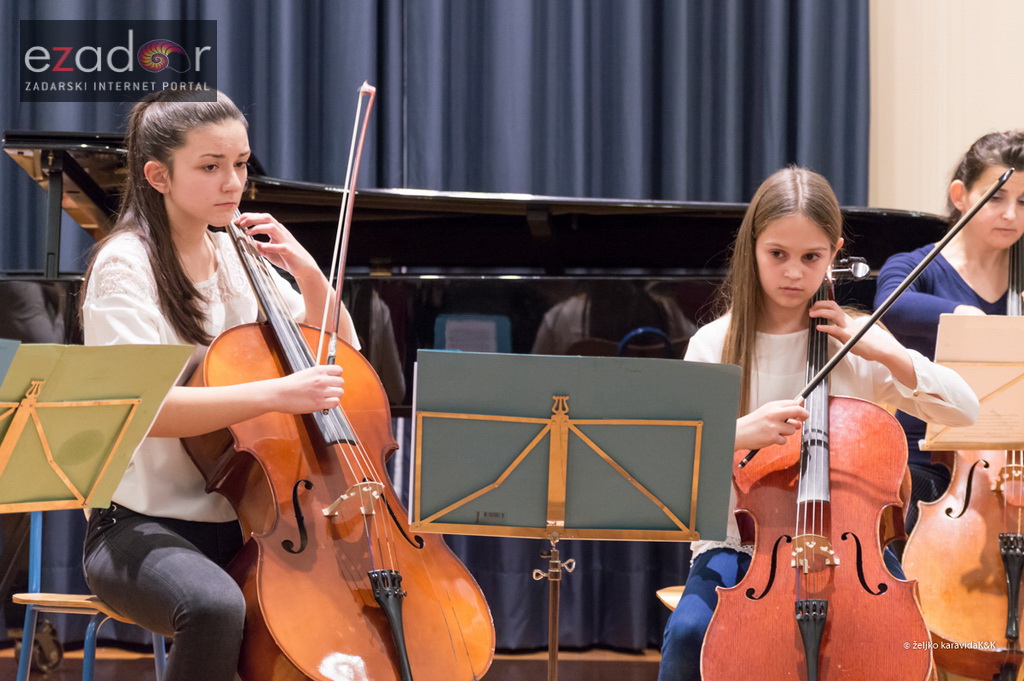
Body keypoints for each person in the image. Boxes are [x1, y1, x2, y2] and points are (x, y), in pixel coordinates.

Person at [657, 167, 979, 681]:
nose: (793, 272)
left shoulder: (855, 343)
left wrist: (890, 352)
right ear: (753, 248)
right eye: (777, 254)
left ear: (835, 252)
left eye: (812, 257)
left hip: (851, 555)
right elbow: (670, 456)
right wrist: (737, 433)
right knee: (692, 633)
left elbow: (966, 412)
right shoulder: (714, 344)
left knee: (898, 636)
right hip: (738, 548)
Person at [79, 89, 357, 681]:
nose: (233, 182)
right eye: (211, 167)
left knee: (338, 608)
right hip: (139, 524)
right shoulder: (126, 264)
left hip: (252, 522)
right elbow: (145, 412)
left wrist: (307, 272)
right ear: (158, 175)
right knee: (212, 607)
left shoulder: (237, 253)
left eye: (241, 164)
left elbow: (339, 358)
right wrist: (279, 395)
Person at [873, 130, 1024, 532]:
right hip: (929, 459)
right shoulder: (916, 267)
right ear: (960, 195)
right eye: (996, 198)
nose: (1012, 214)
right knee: (899, 496)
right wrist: (962, 314)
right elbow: (891, 307)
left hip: (1013, 459)